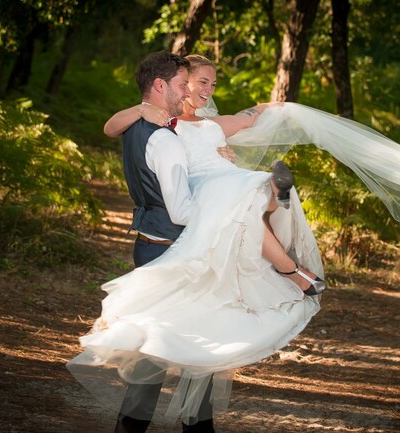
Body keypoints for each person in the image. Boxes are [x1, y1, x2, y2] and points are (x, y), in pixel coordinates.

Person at [67, 51, 325, 433]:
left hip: (156, 242)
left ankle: (175, 426)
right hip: (175, 247)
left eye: (200, 83)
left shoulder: (148, 129)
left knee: (193, 335)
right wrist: (222, 208)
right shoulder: (164, 136)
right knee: (168, 341)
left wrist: (224, 164)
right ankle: (158, 426)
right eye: (183, 84)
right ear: (162, 86)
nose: (189, 90)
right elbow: (183, 210)